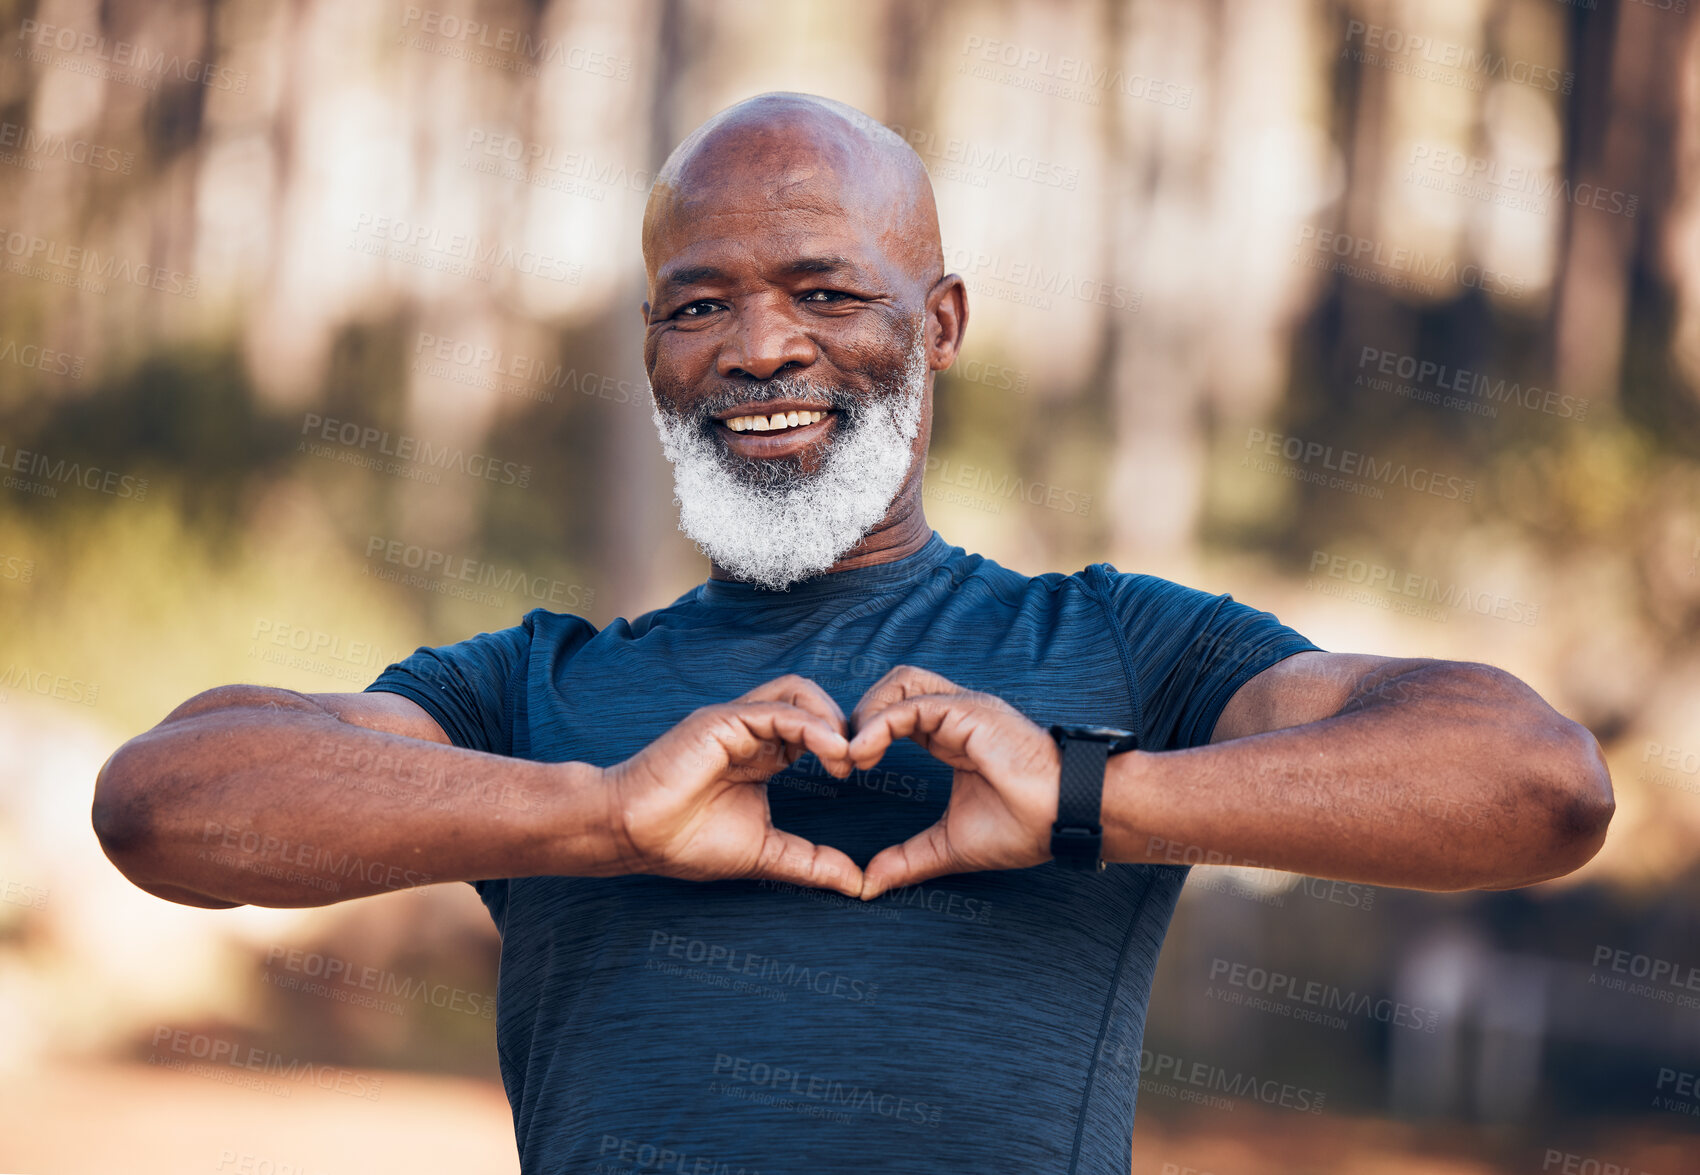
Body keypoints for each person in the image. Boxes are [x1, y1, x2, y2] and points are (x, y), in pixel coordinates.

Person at [92, 92, 1613, 1175]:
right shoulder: (530, 689)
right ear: (651, 347)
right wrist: (604, 811)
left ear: (939, 324)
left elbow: (1536, 785)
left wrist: (1092, 798)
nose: (762, 347)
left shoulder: (1130, 652)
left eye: (826, 290)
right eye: (699, 307)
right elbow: (166, 807)